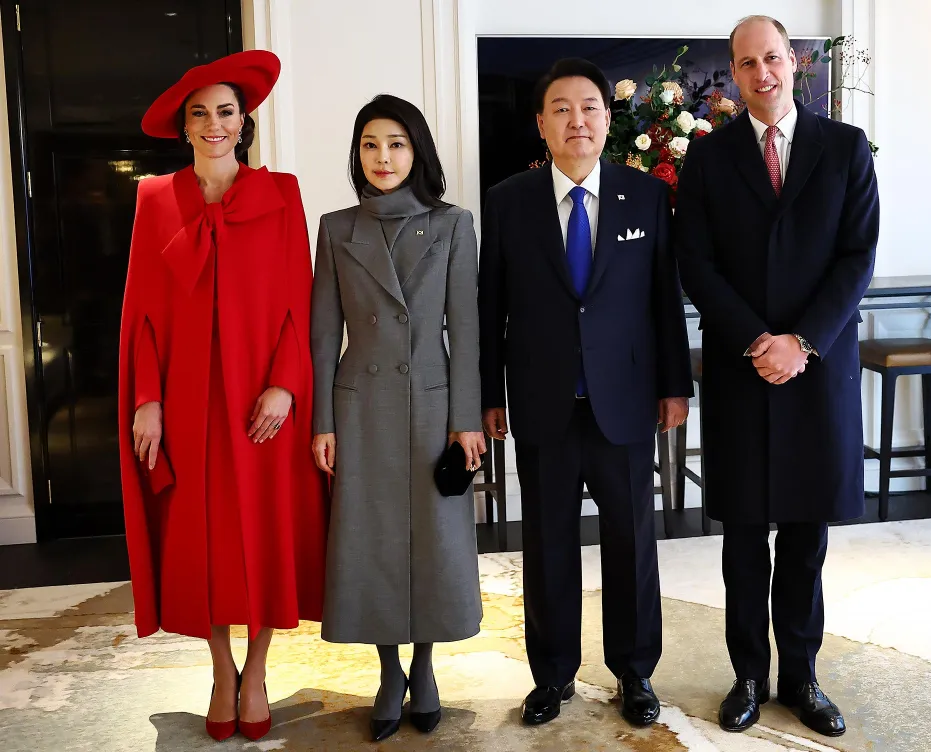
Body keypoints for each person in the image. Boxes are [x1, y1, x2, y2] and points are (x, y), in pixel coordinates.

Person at [674, 15, 879, 738]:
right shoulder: (708, 158)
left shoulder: (845, 149)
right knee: (743, 539)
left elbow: (857, 257)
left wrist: (803, 341)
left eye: (771, 58)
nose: (761, 73)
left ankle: (802, 677)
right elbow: (695, 261)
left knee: (804, 535)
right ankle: (748, 678)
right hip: (742, 369)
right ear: (733, 74)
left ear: (792, 62)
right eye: (745, 63)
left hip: (815, 372)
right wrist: (759, 338)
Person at [119, 50, 327, 743]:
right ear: (186, 127)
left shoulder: (284, 193)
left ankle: (259, 668)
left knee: (267, 532)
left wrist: (287, 386)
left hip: (262, 404)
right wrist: (146, 399)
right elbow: (143, 312)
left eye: (226, 112)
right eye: (201, 114)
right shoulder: (155, 198)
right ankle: (219, 670)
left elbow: (301, 301)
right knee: (201, 541)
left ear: (245, 121)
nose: (215, 125)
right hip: (187, 404)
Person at [478, 57, 693, 728]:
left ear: (608, 119)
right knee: (547, 546)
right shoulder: (509, 200)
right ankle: (552, 676)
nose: (578, 119)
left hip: (624, 403)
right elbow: (492, 307)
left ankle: (635, 673)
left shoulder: (646, 197)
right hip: (542, 402)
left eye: (590, 107)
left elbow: (664, 301)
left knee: (632, 542)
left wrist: (674, 386)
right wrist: (489, 394)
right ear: (541, 124)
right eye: (562, 109)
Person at [311, 94, 485, 742]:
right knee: (369, 541)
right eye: (370, 145)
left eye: (397, 144)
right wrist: (322, 422)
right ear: (357, 154)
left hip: (433, 406)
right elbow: (324, 334)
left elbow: (465, 330)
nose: (383, 158)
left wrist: (465, 418)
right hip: (361, 407)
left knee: (435, 543)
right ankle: (388, 671)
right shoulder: (335, 227)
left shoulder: (452, 224)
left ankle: (427, 664)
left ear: (418, 152)